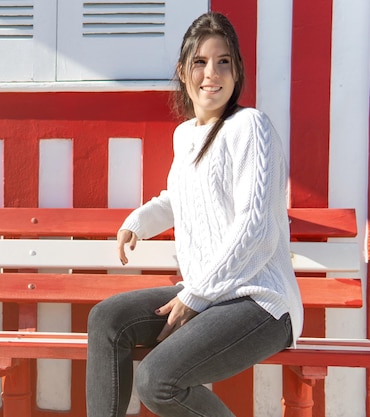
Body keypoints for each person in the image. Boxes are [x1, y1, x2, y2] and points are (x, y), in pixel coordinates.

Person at [85, 11, 303, 417]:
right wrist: (139, 221)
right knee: (107, 319)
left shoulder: (250, 126)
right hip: (209, 295)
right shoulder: (185, 135)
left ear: (237, 72)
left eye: (224, 62)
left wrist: (195, 295)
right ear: (183, 71)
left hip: (262, 303)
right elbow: (179, 196)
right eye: (200, 62)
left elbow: (255, 230)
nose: (212, 73)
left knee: (157, 381)